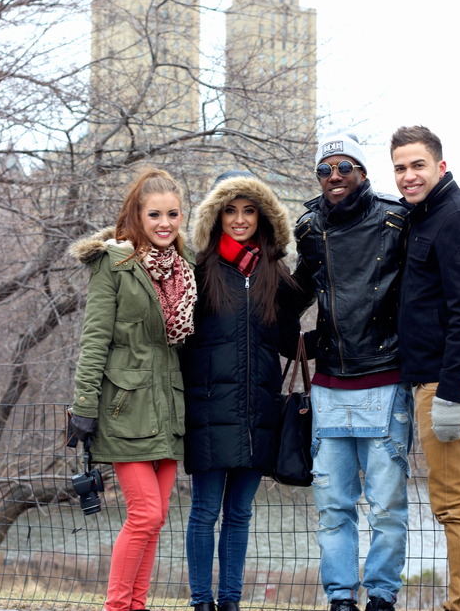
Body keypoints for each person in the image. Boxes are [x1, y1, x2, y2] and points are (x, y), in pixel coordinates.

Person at [292, 130, 413, 611]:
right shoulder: (308, 229)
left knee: (387, 508)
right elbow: (299, 291)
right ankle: (340, 596)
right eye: (325, 169)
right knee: (332, 508)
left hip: (386, 376)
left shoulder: (398, 220)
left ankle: (382, 596)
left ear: (362, 172)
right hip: (329, 383)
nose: (334, 176)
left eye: (344, 167)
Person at [69, 167, 197, 611]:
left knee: (155, 520)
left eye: (173, 214)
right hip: (125, 409)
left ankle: (136, 606)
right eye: (155, 215)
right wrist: (83, 406)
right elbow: (94, 340)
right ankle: (117, 607)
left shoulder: (186, 269)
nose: (165, 223)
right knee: (145, 515)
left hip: (167, 409)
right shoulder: (114, 264)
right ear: (137, 217)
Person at [181, 171, 300, 611]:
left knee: (240, 514)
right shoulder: (199, 273)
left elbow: (288, 341)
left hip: (258, 411)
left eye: (249, 210)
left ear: (263, 217)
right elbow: (179, 341)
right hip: (210, 412)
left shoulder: (274, 274)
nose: (239, 219)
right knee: (205, 512)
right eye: (230, 210)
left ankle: (229, 600)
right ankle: (201, 601)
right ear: (215, 216)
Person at [390, 125, 460, 611]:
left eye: (417, 165)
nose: (408, 176)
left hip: (455, 382)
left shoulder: (455, 218)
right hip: (438, 377)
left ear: (440, 166)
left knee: (455, 505)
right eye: (400, 168)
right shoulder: (423, 217)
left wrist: (451, 393)